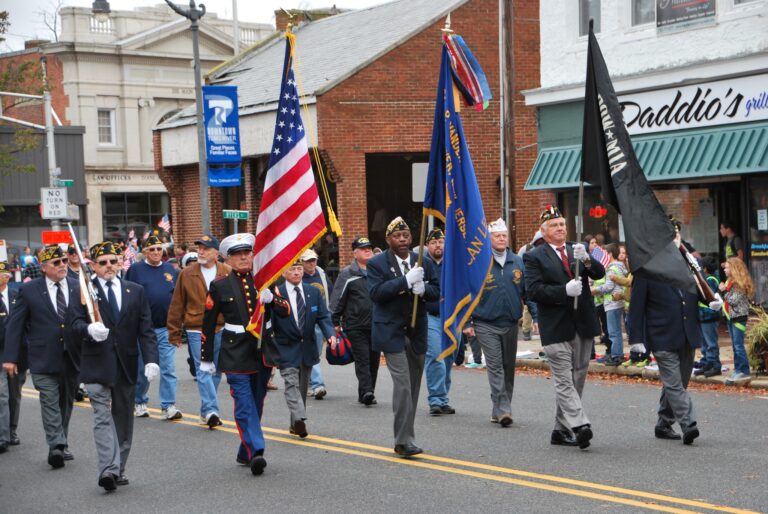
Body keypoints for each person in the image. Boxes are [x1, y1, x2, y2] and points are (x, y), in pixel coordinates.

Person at [201, 233, 290, 476]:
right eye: (237, 254)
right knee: (243, 402)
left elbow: (286, 311)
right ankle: (256, 450)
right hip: (235, 351)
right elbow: (208, 323)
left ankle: (245, 450)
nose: (243, 257)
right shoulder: (219, 285)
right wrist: (206, 357)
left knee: (257, 401)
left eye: (247, 253)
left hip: (262, 350)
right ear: (228, 259)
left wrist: (273, 300)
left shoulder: (266, 279)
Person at [2, 245, 95, 468]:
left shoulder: (78, 286)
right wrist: (11, 357)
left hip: (71, 356)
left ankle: (62, 440)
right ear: (44, 267)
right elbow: (15, 325)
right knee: (49, 400)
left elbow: (89, 317)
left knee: (65, 402)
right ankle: (56, 445)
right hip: (42, 357)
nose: (62, 265)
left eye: (64, 261)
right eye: (56, 263)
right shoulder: (29, 290)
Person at [523, 205, 605, 450]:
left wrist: (587, 258)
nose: (560, 228)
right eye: (554, 225)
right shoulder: (534, 256)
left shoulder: (576, 249)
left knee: (578, 376)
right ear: (544, 231)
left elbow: (599, 274)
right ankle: (579, 424)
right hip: (556, 325)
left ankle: (560, 430)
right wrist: (564, 291)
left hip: (582, 322)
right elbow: (534, 291)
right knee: (563, 379)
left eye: (562, 224)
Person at [82, 242, 159, 491]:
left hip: (126, 362)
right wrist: (88, 329)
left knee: (123, 418)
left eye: (113, 261)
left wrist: (151, 359)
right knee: (102, 417)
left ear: (120, 263)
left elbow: (145, 329)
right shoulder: (84, 291)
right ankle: (108, 468)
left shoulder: (135, 291)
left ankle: (119, 468)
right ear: (94, 266)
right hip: (96, 363)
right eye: (102, 262)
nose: (108, 266)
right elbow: (72, 324)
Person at [367, 217, 439, 457]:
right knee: (403, 386)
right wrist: (405, 282)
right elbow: (376, 293)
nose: (402, 240)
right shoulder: (377, 263)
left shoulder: (423, 261)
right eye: (397, 237)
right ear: (388, 240)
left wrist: (424, 290)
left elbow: (437, 290)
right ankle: (403, 441)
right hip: (391, 332)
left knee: (414, 387)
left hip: (416, 331)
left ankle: (407, 435)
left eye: (406, 236)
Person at [629, 272, 719, 444]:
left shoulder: (687, 266)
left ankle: (663, 423)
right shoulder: (646, 271)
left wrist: (711, 300)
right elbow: (636, 306)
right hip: (661, 335)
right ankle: (688, 423)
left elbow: (697, 291)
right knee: (674, 384)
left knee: (680, 382)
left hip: (687, 333)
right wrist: (636, 338)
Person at [464, 219, 536, 427]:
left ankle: (500, 409)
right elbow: (468, 294)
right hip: (485, 322)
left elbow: (528, 293)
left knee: (508, 367)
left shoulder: (517, 262)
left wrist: (536, 316)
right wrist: (467, 322)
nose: (502, 239)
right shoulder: (479, 262)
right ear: (489, 239)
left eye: (504, 235)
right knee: (495, 366)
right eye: (497, 236)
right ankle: (505, 409)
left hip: (510, 322)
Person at [167, 235, 230, 428]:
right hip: (196, 327)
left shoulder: (227, 271)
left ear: (216, 253)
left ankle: (205, 411)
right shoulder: (187, 273)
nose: (201, 251)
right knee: (203, 368)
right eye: (199, 248)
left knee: (217, 370)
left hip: (221, 326)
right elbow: (177, 303)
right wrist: (174, 331)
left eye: (206, 248)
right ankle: (212, 410)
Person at [272, 261, 336, 438]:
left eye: (299, 269)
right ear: (283, 272)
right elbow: (270, 322)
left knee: (301, 387)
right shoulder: (276, 294)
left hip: (307, 345)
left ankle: (295, 423)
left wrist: (330, 334)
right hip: (285, 346)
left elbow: (323, 316)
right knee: (291, 382)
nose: (296, 272)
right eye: (292, 269)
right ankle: (300, 418)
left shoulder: (313, 292)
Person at [125, 235, 181, 420]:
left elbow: (177, 296)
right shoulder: (136, 269)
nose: (156, 252)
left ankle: (168, 405)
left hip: (165, 327)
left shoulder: (170, 269)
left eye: (159, 249)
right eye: (152, 249)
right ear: (145, 252)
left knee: (168, 368)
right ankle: (139, 401)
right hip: (142, 329)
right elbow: (127, 295)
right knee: (143, 370)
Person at [330, 236, 379, 406]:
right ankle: (367, 391)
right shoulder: (347, 274)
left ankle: (366, 392)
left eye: (369, 248)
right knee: (363, 359)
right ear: (355, 253)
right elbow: (337, 300)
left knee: (374, 360)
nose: (368, 251)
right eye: (363, 249)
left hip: (375, 324)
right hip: (355, 325)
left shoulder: (377, 272)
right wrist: (334, 322)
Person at [422, 228, 454, 416]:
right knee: (435, 356)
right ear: (427, 245)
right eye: (433, 242)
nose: (438, 245)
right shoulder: (422, 264)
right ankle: (435, 399)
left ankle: (443, 398)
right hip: (430, 317)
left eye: (441, 242)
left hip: (451, 317)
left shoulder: (453, 264)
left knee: (448, 358)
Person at [300, 249, 332, 399]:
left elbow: (330, 292)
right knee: (312, 351)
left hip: (321, 317)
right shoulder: (298, 275)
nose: (311, 263)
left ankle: (306, 382)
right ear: (301, 262)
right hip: (305, 320)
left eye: (313, 260)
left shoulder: (321, 274)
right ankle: (318, 385)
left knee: (315, 352)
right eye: (308, 261)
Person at [719, 257, 754, 385]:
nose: (725, 270)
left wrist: (724, 291)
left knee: (738, 346)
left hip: (739, 317)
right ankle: (738, 369)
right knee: (735, 345)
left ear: (734, 269)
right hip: (731, 317)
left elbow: (734, 300)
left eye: (727, 268)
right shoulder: (730, 281)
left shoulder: (739, 283)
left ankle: (744, 370)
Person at [591, 244, 627, 366]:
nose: (603, 255)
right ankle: (618, 354)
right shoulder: (620, 266)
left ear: (610, 254)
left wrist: (594, 290)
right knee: (616, 330)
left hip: (612, 303)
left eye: (605, 253)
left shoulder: (611, 268)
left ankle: (616, 356)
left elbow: (608, 287)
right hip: (617, 302)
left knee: (613, 332)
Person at [0, 261, 22, 452]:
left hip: (16, 352)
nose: (4, 276)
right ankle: (3, 436)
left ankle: (12, 430)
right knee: (2, 395)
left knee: (14, 395)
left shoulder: (16, 295)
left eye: (6, 273)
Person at [693, 257, 722, 378]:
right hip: (705, 316)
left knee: (710, 343)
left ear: (705, 268)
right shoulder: (712, 278)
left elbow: (706, 296)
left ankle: (715, 365)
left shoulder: (710, 280)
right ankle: (706, 363)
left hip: (708, 315)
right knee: (705, 343)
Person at [517, 230, 545, 341]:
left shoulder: (548, 251)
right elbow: (518, 264)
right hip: (529, 281)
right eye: (539, 241)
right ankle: (526, 330)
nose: (541, 244)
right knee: (528, 308)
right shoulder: (525, 249)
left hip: (543, 283)